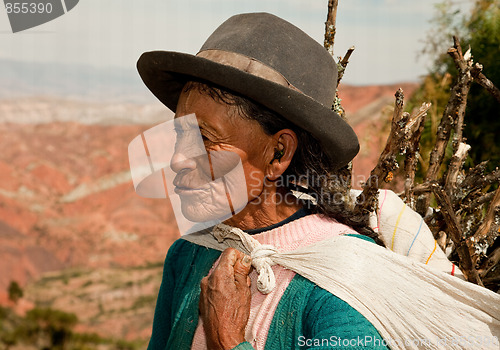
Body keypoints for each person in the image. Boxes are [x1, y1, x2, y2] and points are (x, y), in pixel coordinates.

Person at [133, 12, 500, 350]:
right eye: (181, 135)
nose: (178, 159)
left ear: (278, 154)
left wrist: (228, 340)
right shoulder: (188, 255)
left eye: (205, 139)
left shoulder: (344, 287)